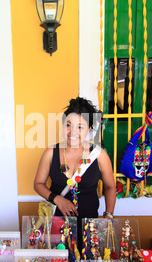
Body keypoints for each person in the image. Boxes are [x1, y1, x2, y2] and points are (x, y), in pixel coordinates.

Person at [33, 97, 116, 248]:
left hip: (89, 227)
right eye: (69, 125)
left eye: (80, 127)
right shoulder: (51, 153)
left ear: (89, 130)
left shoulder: (99, 155)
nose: (73, 132)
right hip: (57, 226)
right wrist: (57, 199)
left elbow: (110, 187)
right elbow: (38, 184)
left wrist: (108, 215)